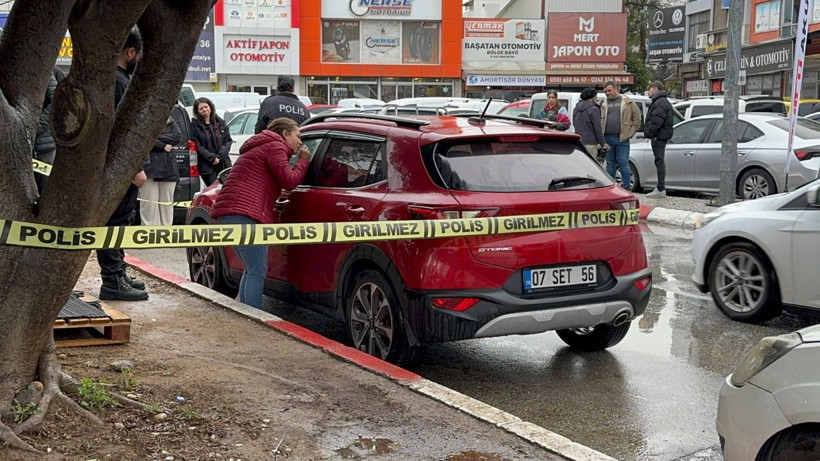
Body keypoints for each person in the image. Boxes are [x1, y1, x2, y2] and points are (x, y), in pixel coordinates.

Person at [212, 117, 311, 309]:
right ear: (285, 134)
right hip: (245, 214)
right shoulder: (275, 147)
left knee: (251, 270)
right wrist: (303, 161)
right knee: (256, 270)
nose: (300, 142)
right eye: (297, 136)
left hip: (231, 213)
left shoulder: (261, 146)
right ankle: (253, 317)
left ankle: (244, 313)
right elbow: (289, 181)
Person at [97, 28, 149, 301]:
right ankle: (113, 278)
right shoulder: (119, 82)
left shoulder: (115, 79)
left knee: (120, 221)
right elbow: (122, 130)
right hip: (122, 168)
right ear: (131, 52)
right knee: (116, 222)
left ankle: (118, 273)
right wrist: (134, 167)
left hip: (118, 167)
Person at [139, 114, 181, 225]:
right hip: (149, 168)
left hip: (168, 168)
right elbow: (143, 140)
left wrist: (156, 138)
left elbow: (177, 137)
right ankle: (149, 233)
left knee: (167, 204)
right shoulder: (143, 120)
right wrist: (163, 146)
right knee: (149, 205)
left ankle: (166, 232)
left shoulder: (171, 120)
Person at [600, 81, 641, 190]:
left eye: (609, 90)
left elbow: (637, 119)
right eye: (605, 92)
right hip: (607, 138)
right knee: (610, 164)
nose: (607, 93)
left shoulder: (627, 102)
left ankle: (627, 186)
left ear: (616, 89)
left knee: (623, 162)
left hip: (622, 138)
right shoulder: (603, 103)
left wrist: (630, 133)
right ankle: (611, 187)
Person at [192, 97, 233, 186]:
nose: (204, 110)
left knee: (226, 188)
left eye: (206, 107)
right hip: (207, 165)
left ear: (210, 107)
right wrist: (212, 158)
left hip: (223, 163)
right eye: (201, 108)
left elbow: (228, 141)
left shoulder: (220, 123)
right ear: (197, 111)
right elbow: (197, 145)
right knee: (213, 189)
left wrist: (219, 156)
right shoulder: (195, 126)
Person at [644, 81, 675, 198]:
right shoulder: (662, 101)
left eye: (650, 89)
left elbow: (657, 121)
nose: (648, 92)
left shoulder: (660, 102)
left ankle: (661, 188)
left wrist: (649, 133)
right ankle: (660, 187)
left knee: (659, 161)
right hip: (660, 136)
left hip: (659, 137)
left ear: (655, 89)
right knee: (659, 161)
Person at [572, 87, 607, 162]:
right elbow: (597, 128)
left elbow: (575, 123)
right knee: (591, 165)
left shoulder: (576, 108)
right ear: (592, 97)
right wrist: (603, 143)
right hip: (590, 142)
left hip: (579, 142)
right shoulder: (594, 109)